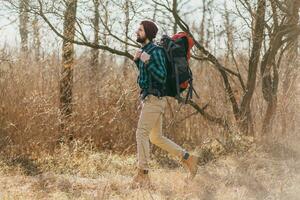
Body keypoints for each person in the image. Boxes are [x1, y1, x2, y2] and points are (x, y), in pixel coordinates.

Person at [132, 20, 199, 187]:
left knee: (141, 133)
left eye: (140, 30)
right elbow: (144, 78)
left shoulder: (156, 52)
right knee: (155, 137)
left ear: (147, 32)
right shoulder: (146, 51)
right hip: (151, 99)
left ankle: (143, 173)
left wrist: (146, 60)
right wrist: (137, 61)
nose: (137, 32)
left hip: (155, 100)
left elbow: (161, 76)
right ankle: (188, 158)